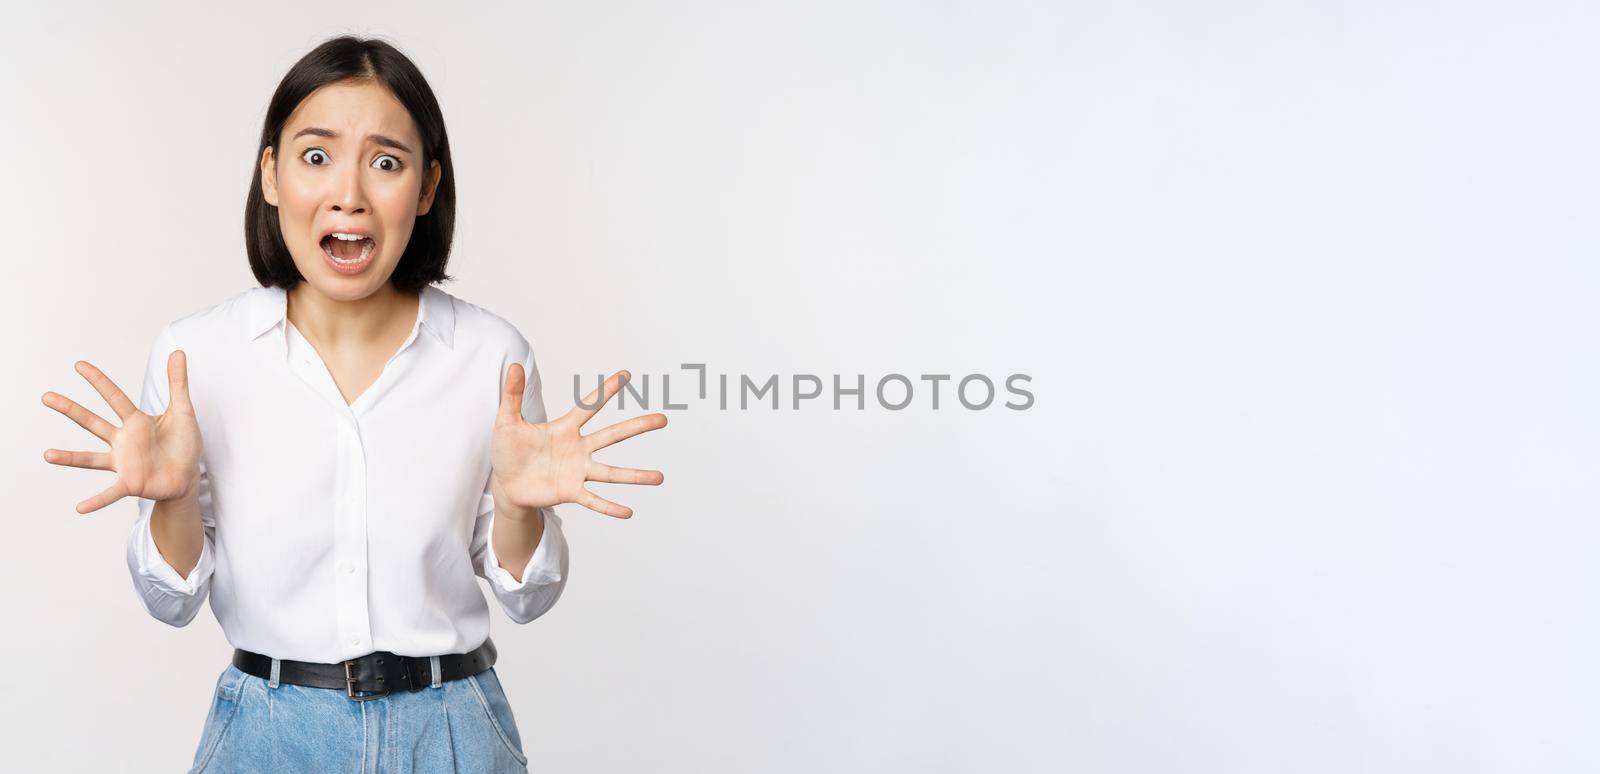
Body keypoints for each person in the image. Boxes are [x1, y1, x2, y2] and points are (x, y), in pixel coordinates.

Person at [38, 35, 667, 772]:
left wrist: (522, 509)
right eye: (316, 156)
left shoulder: (492, 356)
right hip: (266, 734)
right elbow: (170, 604)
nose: (349, 194)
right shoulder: (197, 356)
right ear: (270, 175)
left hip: (452, 729)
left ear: (427, 188)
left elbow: (527, 600)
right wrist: (172, 499)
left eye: (386, 162)